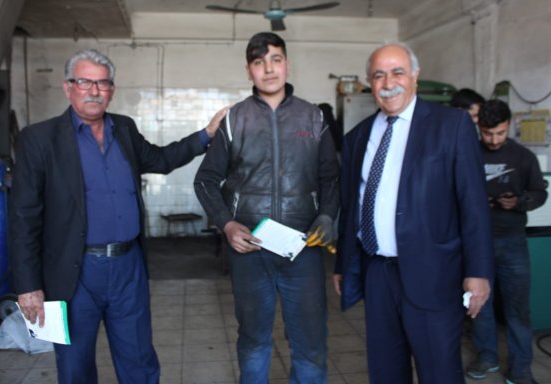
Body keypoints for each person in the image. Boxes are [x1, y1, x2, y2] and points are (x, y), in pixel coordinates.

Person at [9, 49, 226, 384]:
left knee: (138, 361)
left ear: (111, 89)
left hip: (128, 267)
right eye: (85, 82)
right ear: (68, 87)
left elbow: (162, 159)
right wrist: (28, 286)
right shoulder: (39, 139)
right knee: (76, 367)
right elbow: (23, 217)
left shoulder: (124, 128)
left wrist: (207, 134)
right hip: (74, 272)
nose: (94, 91)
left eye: (103, 83)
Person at [333, 43, 495, 384]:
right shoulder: (358, 137)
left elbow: (474, 204)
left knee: (439, 372)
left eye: (398, 72)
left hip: (434, 272)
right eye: (379, 75)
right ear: (370, 83)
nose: (388, 83)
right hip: (377, 272)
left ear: (415, 76)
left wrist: (479, 271)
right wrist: (342, 264)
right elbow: (351, 206)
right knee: (386, 372)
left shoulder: (451, 125)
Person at [194, 32, 339, 383]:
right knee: (254, 340)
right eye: (259, 62)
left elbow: (332, 178)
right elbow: (205, 180)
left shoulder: (313, 117)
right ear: (249, 71)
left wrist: (326, 216)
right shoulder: (235, 119)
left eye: (276, 59)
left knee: (310, 343)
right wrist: (227, 224)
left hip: (302, 248)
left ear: (287, 64)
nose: (269, 69)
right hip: (250, 250)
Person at [465, 99, 548, 384]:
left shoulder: (524, 157)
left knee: (517, 309)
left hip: (512, 243)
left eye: (500, 133)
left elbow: (540, 193)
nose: (494, 139)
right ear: (479, 127)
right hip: (476, 244)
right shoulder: (468, 154)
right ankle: (487, 357)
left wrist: (520, 201)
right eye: (488, 133)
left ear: (509, 125)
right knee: (479, 305)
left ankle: (520, 368)